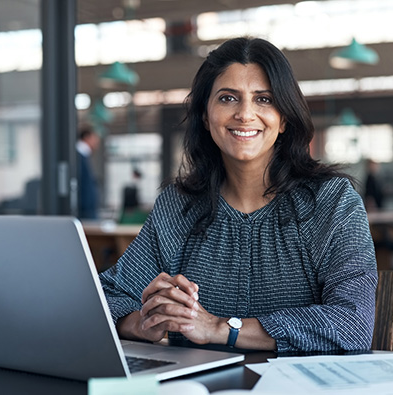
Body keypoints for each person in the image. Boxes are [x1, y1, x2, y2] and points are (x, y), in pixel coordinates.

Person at [100, 37, 378, 353]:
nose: (245, 114)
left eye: (263, 99)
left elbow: (352, 324)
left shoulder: (332, 203)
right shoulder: (178, 206)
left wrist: (220, 328)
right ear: (205, 116)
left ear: (284, 118)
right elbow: (104, 298)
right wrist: (143, 323)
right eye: (228, 98)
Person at [76, 127, 101, 219]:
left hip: (87, 209)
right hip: (84, 211)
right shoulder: (79, 156)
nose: (97, 141)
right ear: (87, 137)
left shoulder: (84, 156)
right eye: (94, 138)